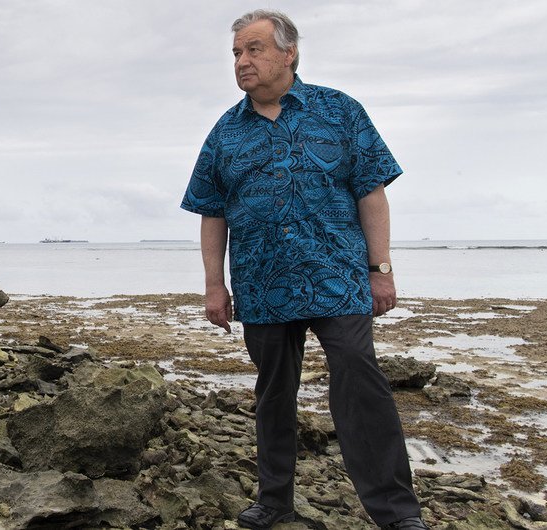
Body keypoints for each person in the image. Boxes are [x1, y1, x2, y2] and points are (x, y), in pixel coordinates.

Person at [180, 9, 428, 530]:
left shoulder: (339, 111)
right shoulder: (225, 132)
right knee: (273, 393)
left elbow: (372, 192)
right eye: (235, 54)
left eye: (253, 50)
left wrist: (380, 268)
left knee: (361, 383)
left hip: (337, 277)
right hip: (263, 286)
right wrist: (213, 287)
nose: (242, 62)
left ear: (288, 53)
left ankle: (397, 514)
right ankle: (274, 501)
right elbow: (212, 212)